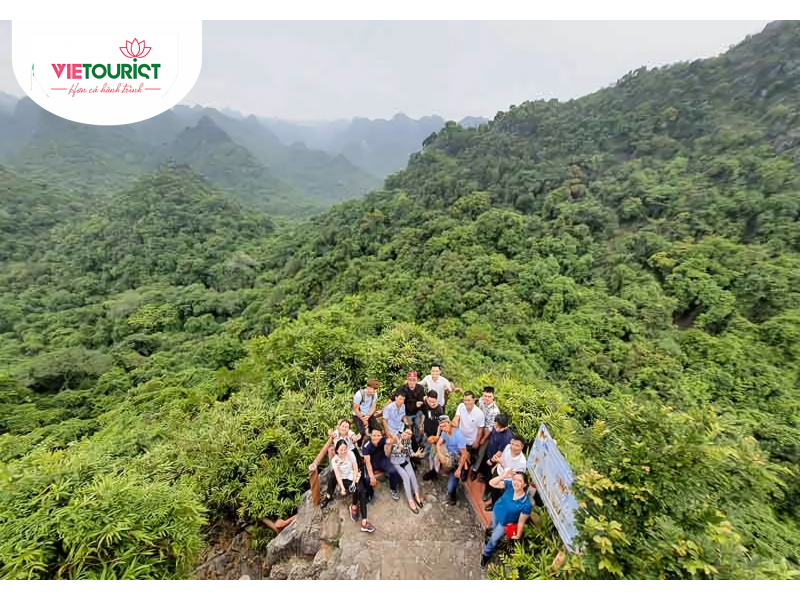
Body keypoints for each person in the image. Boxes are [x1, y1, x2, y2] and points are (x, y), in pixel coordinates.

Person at [481, 469, 533, 568]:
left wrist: (518, 535)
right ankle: (489, 536)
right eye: (515, 479)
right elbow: (492, 483)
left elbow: (521, 522)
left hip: (504, 523)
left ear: (524, 485)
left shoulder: (526, 505)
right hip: (496, 511)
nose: (516, 482)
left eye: (520, 481)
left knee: (494, 539)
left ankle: (487, 554)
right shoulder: (509, 485)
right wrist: (503, 475)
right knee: (492, 527)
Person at [330, 439, 375, 534]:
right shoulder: (335, 460)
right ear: (337, 450)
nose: (343, 451)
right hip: (343, 479)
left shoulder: (350, 454)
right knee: (356, 489)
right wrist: (342, 487)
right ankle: (354, 506)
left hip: (352, 475)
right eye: (341, 450)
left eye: (345, 449)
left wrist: (354, 481)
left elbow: (355, 468)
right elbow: (337, 475)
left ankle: (364, 521)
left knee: (361, 491)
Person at [485, 433, 528, 510]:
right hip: (499, 472)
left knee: (499, 495)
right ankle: (492, 502)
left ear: (522, 447)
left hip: (506, 480)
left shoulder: (522, 462)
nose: (513, 447)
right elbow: (503, 459)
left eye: (517, 445)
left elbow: (515, 477)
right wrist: (497, 463)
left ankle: (495, 506)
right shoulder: (508, 447)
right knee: (493, 489)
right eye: (512, 443)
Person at [436, 415, 469, 506]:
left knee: (451, 487)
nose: (443, 428)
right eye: (441, 426)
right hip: (451, 456)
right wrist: (440, 454)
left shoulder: (458, 435)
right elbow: (438, 444)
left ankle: (453, 495)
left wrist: (459, 469)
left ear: (449, 423)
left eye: (445, 425)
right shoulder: (444, 432)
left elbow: (464, 454)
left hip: (459, 460)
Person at [389, 428, 424, 513]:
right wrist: (399, 446)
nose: (408, 435)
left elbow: (409, 452)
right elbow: (395, 450)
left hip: (405, 460)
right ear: (403, 431)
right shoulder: (397, 438)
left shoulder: (409, 441)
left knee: (412, 476)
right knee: (406, 478)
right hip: (396, 462)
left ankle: (417, 495)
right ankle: (410, 500)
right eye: (407, 432)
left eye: (410, 434)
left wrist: (416, 454)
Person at [452, 391, 485, 481]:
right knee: (461, 455)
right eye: (465, 400)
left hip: (471, 440)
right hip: (461, 438)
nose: (466, 402)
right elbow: (456, 417)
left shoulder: (479, 414)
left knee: (467, 457)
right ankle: (460, 469)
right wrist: (454, 422)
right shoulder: (461, 406)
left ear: (474, 400)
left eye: (469, 400)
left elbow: (480, 429)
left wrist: (477, 441)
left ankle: (465, 472)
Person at [362, 428, 402, 501]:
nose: (376, 437)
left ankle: (393, 489)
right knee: (366, 478)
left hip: (382, 459)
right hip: (372, 463)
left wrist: (391, 440)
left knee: (394, 470)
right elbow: (367, 462)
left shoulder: (382, 439)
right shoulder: (366, 446)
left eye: (378, 435)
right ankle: (369, 492)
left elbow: (388, 441)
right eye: (374, 435)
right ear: (371, 435)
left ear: (381, 436)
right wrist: (372, 477)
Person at [471, 387, 501, 481]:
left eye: (489, 396)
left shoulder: (495, 411)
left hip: (486, 432)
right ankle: (470, 461)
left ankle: (475, 470)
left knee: (481, 452)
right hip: (477, 427)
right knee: (473, 446)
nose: (487, 398)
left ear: (493, 396)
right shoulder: (481, 401)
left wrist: (483, 439)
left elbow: (490, 428)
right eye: (485, 396)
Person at [478, 413, 512, 492]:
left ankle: (487, 490)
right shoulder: (495, 427)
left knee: (490, 476)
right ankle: (483, 476)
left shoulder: (507, 438)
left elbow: (499, 453)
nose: (495, 427)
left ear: (505, 427)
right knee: (485, 468)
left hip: (494, 460)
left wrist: (491, 460)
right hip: (489, 452)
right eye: (496, 425)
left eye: (498, 427)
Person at [397, 372, 426, 446]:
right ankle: (408, 444)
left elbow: (422, 401)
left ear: (416, 380)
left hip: (417, 411)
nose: (412, 382)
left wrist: (420, 402)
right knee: (408, 427)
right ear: (407, 380)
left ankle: (418, 443)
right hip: (406, 412)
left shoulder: (420, 388)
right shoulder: (402, 389)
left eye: (414, 380)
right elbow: (395, 400)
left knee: (418, 425)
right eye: (410, 380)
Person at [421, 390, 444, 481]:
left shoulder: (439, 409)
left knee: (433, 456)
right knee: (430, 452)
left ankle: (434, 471)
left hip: (435, 435)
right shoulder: (426, 405)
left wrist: (437, 436)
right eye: (430, 401)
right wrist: (422, 425)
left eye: (433, 402)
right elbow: (425, 415)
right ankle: (432, 469)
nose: (432, 404)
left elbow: (441, 424)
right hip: (428, 432)